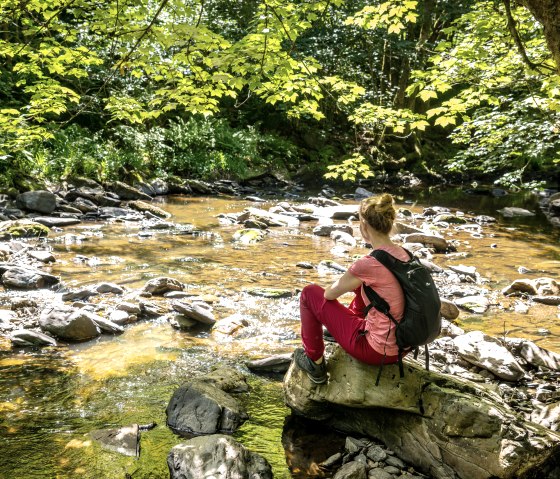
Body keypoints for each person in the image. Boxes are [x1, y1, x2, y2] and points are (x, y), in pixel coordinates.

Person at [294, 193, 409, 384]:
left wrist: (350, 276)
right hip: (403, 345)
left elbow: (329, 294)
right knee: (363, 285)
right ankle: (337, 330)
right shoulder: (405, 254)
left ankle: (315, 363)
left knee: (309, 293)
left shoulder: (369, 264)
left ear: (364, 226)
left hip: (376, 351)